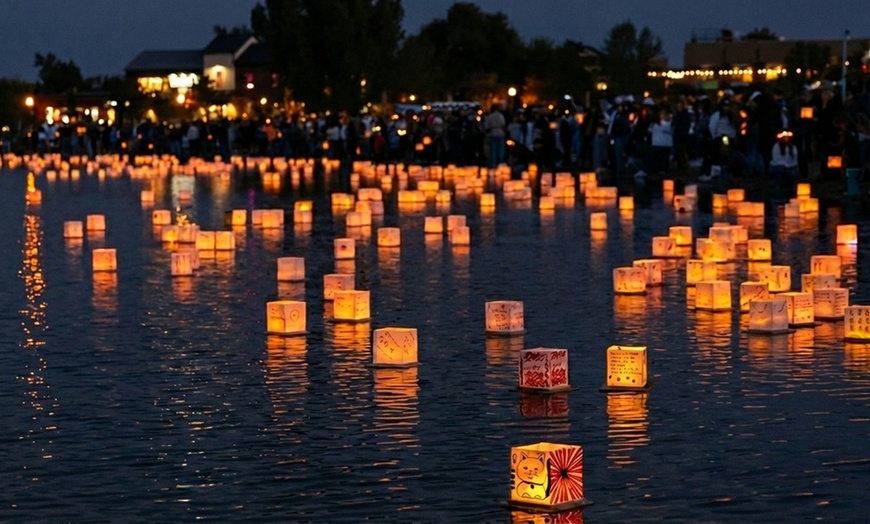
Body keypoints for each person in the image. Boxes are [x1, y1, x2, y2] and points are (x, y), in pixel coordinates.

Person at [483, 104, 506, 168]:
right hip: (500, 134)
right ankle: (501, 165)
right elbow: (503, 124)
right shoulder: (500, 115)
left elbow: (486, 126)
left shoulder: (489, 116)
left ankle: (493, 165)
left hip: (492, 134)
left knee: (493, 151)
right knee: (501, 151)